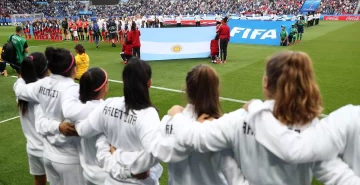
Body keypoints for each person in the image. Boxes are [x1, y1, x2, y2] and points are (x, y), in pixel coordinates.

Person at [167, 51, 360, 185]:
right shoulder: (313, 127)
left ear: (266, 83)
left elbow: (193, 138)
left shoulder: (240, 119)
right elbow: (335, 174)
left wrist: (177, 115)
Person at [103, 65, 248, 185]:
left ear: (186, 88)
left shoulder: (169, 121)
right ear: (216, 91)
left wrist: (117, 154)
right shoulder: (222, 127)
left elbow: (149, 155)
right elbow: (234, 177)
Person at [75, 58, 163, 184]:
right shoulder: (148, 115)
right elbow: (156, 153)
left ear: (123, 81)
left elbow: (82, 130)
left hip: (112, 180)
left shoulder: (109, 104)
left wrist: (114, 153)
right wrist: (129, 163)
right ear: (149, 83)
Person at [13, 47, 86, 185]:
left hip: (47, 153)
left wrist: (20, 78)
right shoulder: (74, 90)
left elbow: (19, 89)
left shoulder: (39, 86)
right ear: (73, 69)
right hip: (68, 157)